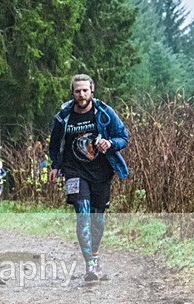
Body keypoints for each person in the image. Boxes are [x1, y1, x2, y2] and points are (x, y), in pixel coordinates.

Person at [48, 73, 129, 281]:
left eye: (85, 90)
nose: (81, 94)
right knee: (82, 214)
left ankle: (95, 255)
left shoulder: (104, 112)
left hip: (101, 172)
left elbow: (123, 137)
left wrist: (110, 144)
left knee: (97, 219)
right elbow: (54, 143)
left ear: (92, 91)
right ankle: (90, 266)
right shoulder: (64, 116)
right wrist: (55, 166)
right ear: (73, 93)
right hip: (74, 172)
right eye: (77, 91)